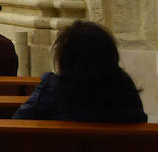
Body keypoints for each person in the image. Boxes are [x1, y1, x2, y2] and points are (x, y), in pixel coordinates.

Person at [14, 20, 146, 123]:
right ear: (110, 54)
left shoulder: (53, 88)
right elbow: (139, 119)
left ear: (65, 57)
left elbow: (19, 122)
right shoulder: (124, 87)